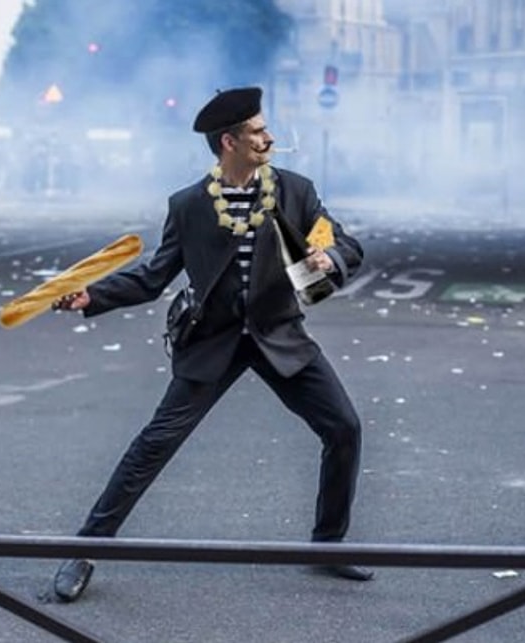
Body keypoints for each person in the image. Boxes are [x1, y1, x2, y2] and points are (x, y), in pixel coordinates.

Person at [47, 87, 371, 603]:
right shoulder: (190, 206)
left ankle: (328, 544)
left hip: (279, 335)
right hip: (213, 341)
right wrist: (92, 296)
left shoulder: (296, 191)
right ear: (230, 142)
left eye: (266, 129)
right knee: (152, 445)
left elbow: (346, 243)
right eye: (259, 131)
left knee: (344, 427)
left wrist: (332, 259)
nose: (270, 137)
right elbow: (154, 277)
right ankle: (85, 549)